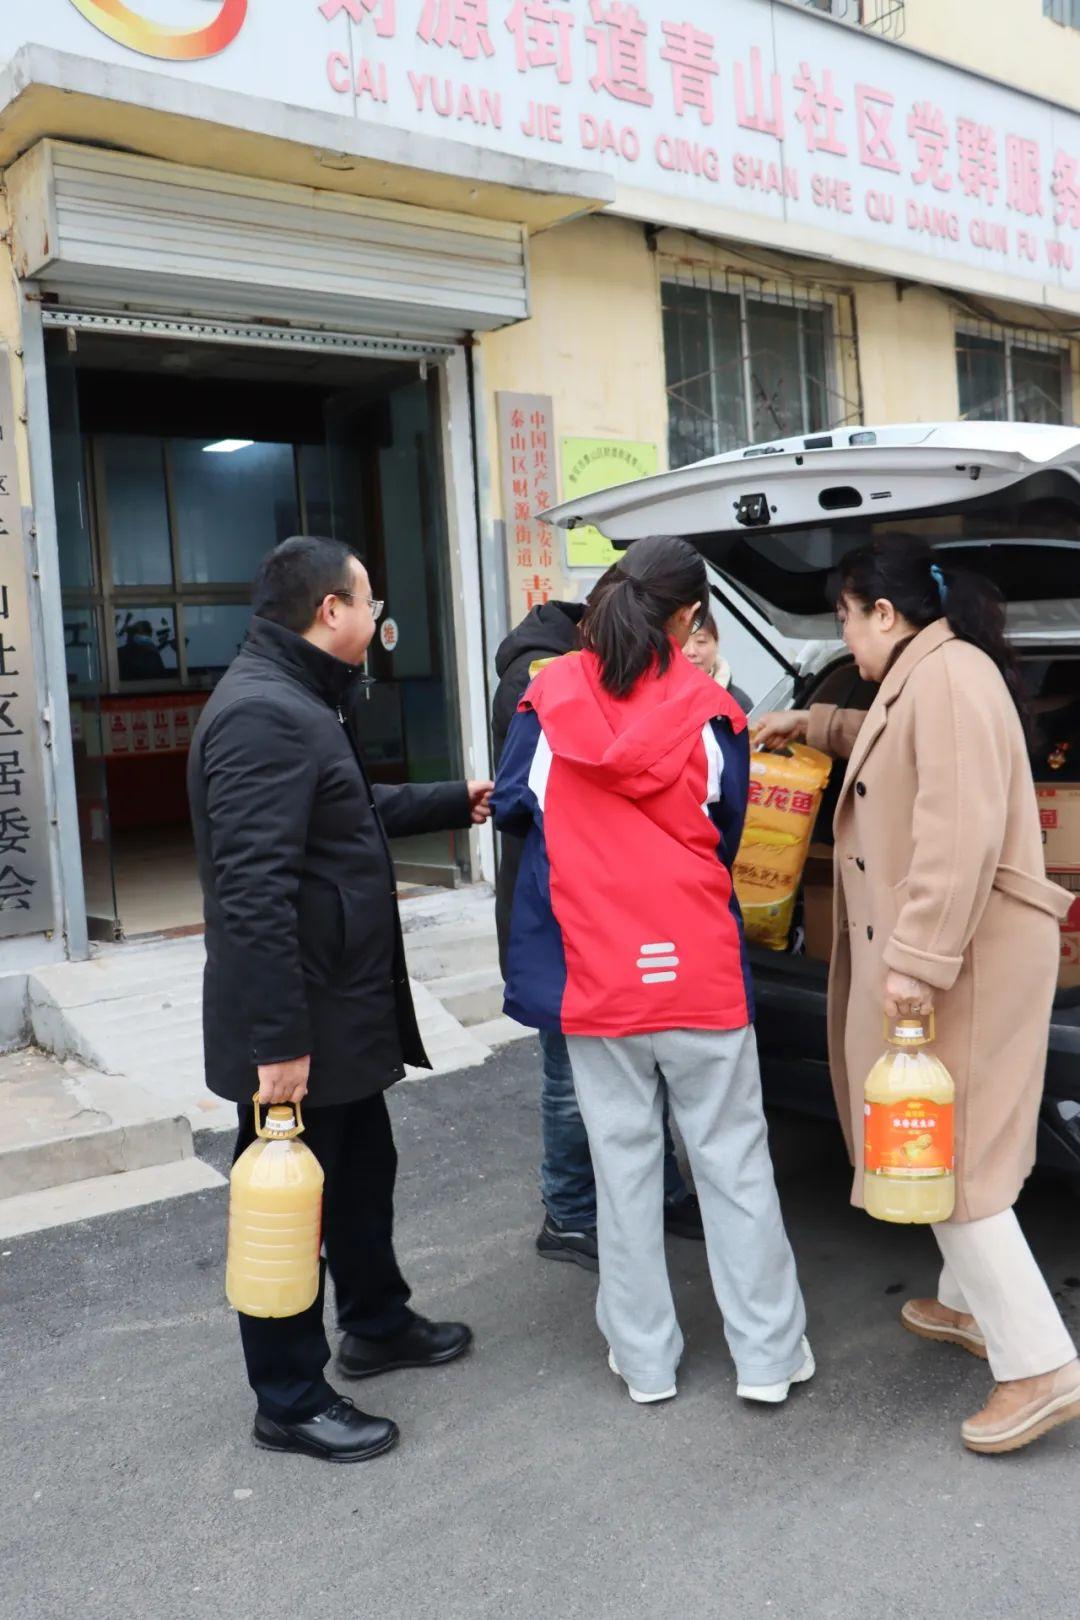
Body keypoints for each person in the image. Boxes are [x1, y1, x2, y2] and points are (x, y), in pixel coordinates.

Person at [755, 536, 1080, 1455]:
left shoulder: (946, 679)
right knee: (944, 1142)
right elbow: (885, 742)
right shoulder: (930, 675)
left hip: (963, 960)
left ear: (884, 613)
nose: (846, 640)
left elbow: (956, 833)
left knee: (944, 1150)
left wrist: (917, 964)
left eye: (847, 620)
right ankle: (969, 1303)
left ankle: (1040, 1367)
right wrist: (811, 723)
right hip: (966, 954)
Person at [188, 535, 493, 1464]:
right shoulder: (262, 714)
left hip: (341, 1011)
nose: (375, 616)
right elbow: (252, 893)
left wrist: (456, 799)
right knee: (289, 1206)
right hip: (301, 1024)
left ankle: (376, 1322)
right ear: (332, 611)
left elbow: (348, 809)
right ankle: (287, 1397)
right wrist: (277, 1044)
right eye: (369, 602)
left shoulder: (302, 698)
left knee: (362, 1177)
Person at [493, 535, 811, 1406]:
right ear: (687, 617)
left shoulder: (546, 698)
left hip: (597, 973)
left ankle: (644, 1362)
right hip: (698, 970)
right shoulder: (715, 711)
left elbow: (515, 805)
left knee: (623, 1169)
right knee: (735, 1164)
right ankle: (768, 1358)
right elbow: (729, 829)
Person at [491, 596, 704, 1271]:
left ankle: (662, 1192)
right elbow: (516, 802)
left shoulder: (584, 666)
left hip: (607, 910)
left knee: (641, 1059)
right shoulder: (539, 678)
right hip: (554, 911)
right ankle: (568, 1212)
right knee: (566, 1072)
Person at [683, 610, 752, 713]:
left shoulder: (738, 703)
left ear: (716, 643)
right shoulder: (657, 696)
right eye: (683, 642)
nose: (692, 652)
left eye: (701, 641)